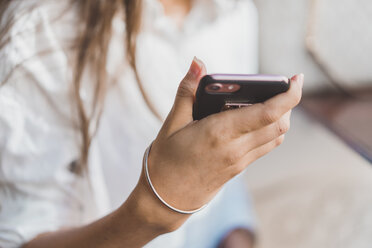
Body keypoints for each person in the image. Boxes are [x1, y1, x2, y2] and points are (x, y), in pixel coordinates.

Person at [0, 0, 304, 247]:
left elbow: (226, 181)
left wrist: (237, 231)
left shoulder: (236, 12)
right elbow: (21, 236)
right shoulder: (46, 27)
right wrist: (152, 211)